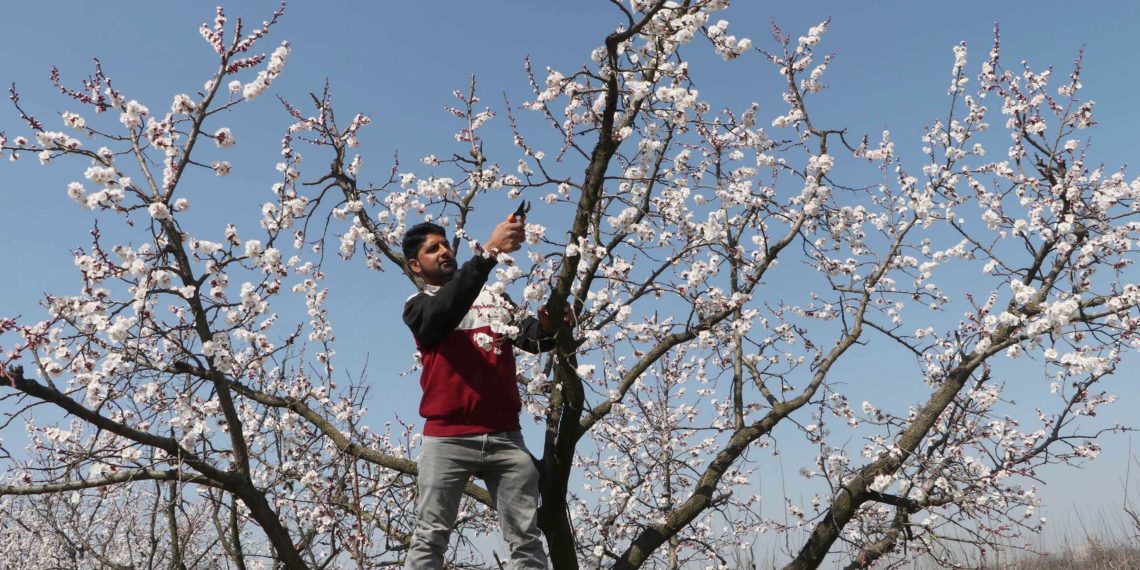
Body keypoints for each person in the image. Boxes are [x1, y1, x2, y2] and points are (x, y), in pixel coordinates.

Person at [401, 219, 562, 569]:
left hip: (505, 438)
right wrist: (489, 253)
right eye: (433, 249)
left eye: (446, 245)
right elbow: (446, 309)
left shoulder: (494, 298)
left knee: (526, 539)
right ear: (415, 265)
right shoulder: (419, 306)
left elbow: (532, 339)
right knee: (430, 537)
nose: (444, 251)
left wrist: (551, 324)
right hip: (447, 440)